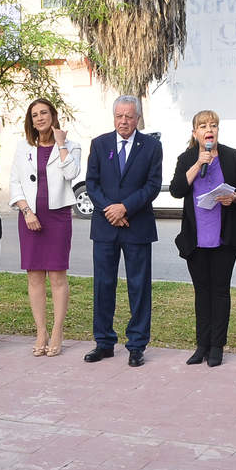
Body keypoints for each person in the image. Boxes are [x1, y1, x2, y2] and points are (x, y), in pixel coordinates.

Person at [169, 110, 236, 367]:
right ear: (195, 132)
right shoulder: (187, 158)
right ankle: (201, 345)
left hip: (223, 237)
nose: (210, 129)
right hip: (196, 239)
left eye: (213, 125)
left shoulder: (232, 156)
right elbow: (176, 190)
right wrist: (197, 164)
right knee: (201, 292)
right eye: (203, 125)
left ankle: (217, 347)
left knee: (220, 292)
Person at [84, 95, 163, 367]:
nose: (123, 121)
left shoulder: (151, 147)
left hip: (136, 226)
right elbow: (91, 184)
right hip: (105, 227)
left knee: (138, 287)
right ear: (113, 117)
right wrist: (110, 210)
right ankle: (103, 342)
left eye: (129, 116)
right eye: (119, 116)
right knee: (103, 285)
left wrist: (125, 208)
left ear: (138, 118)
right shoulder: (99, 144)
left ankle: (137, 345)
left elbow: (153, 186)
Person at [9, 97, 81, 356]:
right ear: (31, 120)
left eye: (44, 113)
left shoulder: (71, 146)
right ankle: (41, 331)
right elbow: (15, 183)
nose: (40, 118)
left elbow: (71, 174)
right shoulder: (23, 147)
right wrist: (27, 211)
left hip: (57, 217)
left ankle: (58, 331)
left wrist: (60, 144)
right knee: (34, 276)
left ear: (53, 115)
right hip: (29, 216)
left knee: (57, 277)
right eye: (35, 115)